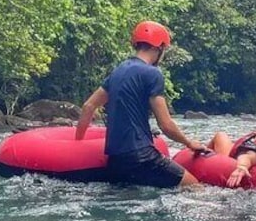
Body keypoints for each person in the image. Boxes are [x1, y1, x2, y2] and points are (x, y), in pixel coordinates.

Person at [75, 20, 207, 188]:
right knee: (194, 186)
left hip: (116, 161)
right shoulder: (152, 74)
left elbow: (88, 106)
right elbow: (165, 125)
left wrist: (78, 144)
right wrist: (189, 143)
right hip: (142, 156)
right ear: (158, 47)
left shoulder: (118, 71)